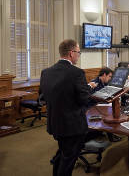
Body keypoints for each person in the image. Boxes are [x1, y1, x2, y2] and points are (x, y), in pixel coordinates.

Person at [40, 39, 91, 176]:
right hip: (72, 126)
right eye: (78, 52)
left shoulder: (46, 72)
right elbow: (84, 99)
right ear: (71, 53)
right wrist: (88, 91)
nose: (78, 55)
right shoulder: (77, 73)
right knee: (68, 160)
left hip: (55, 123)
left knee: (62, 154)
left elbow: (44, 97)